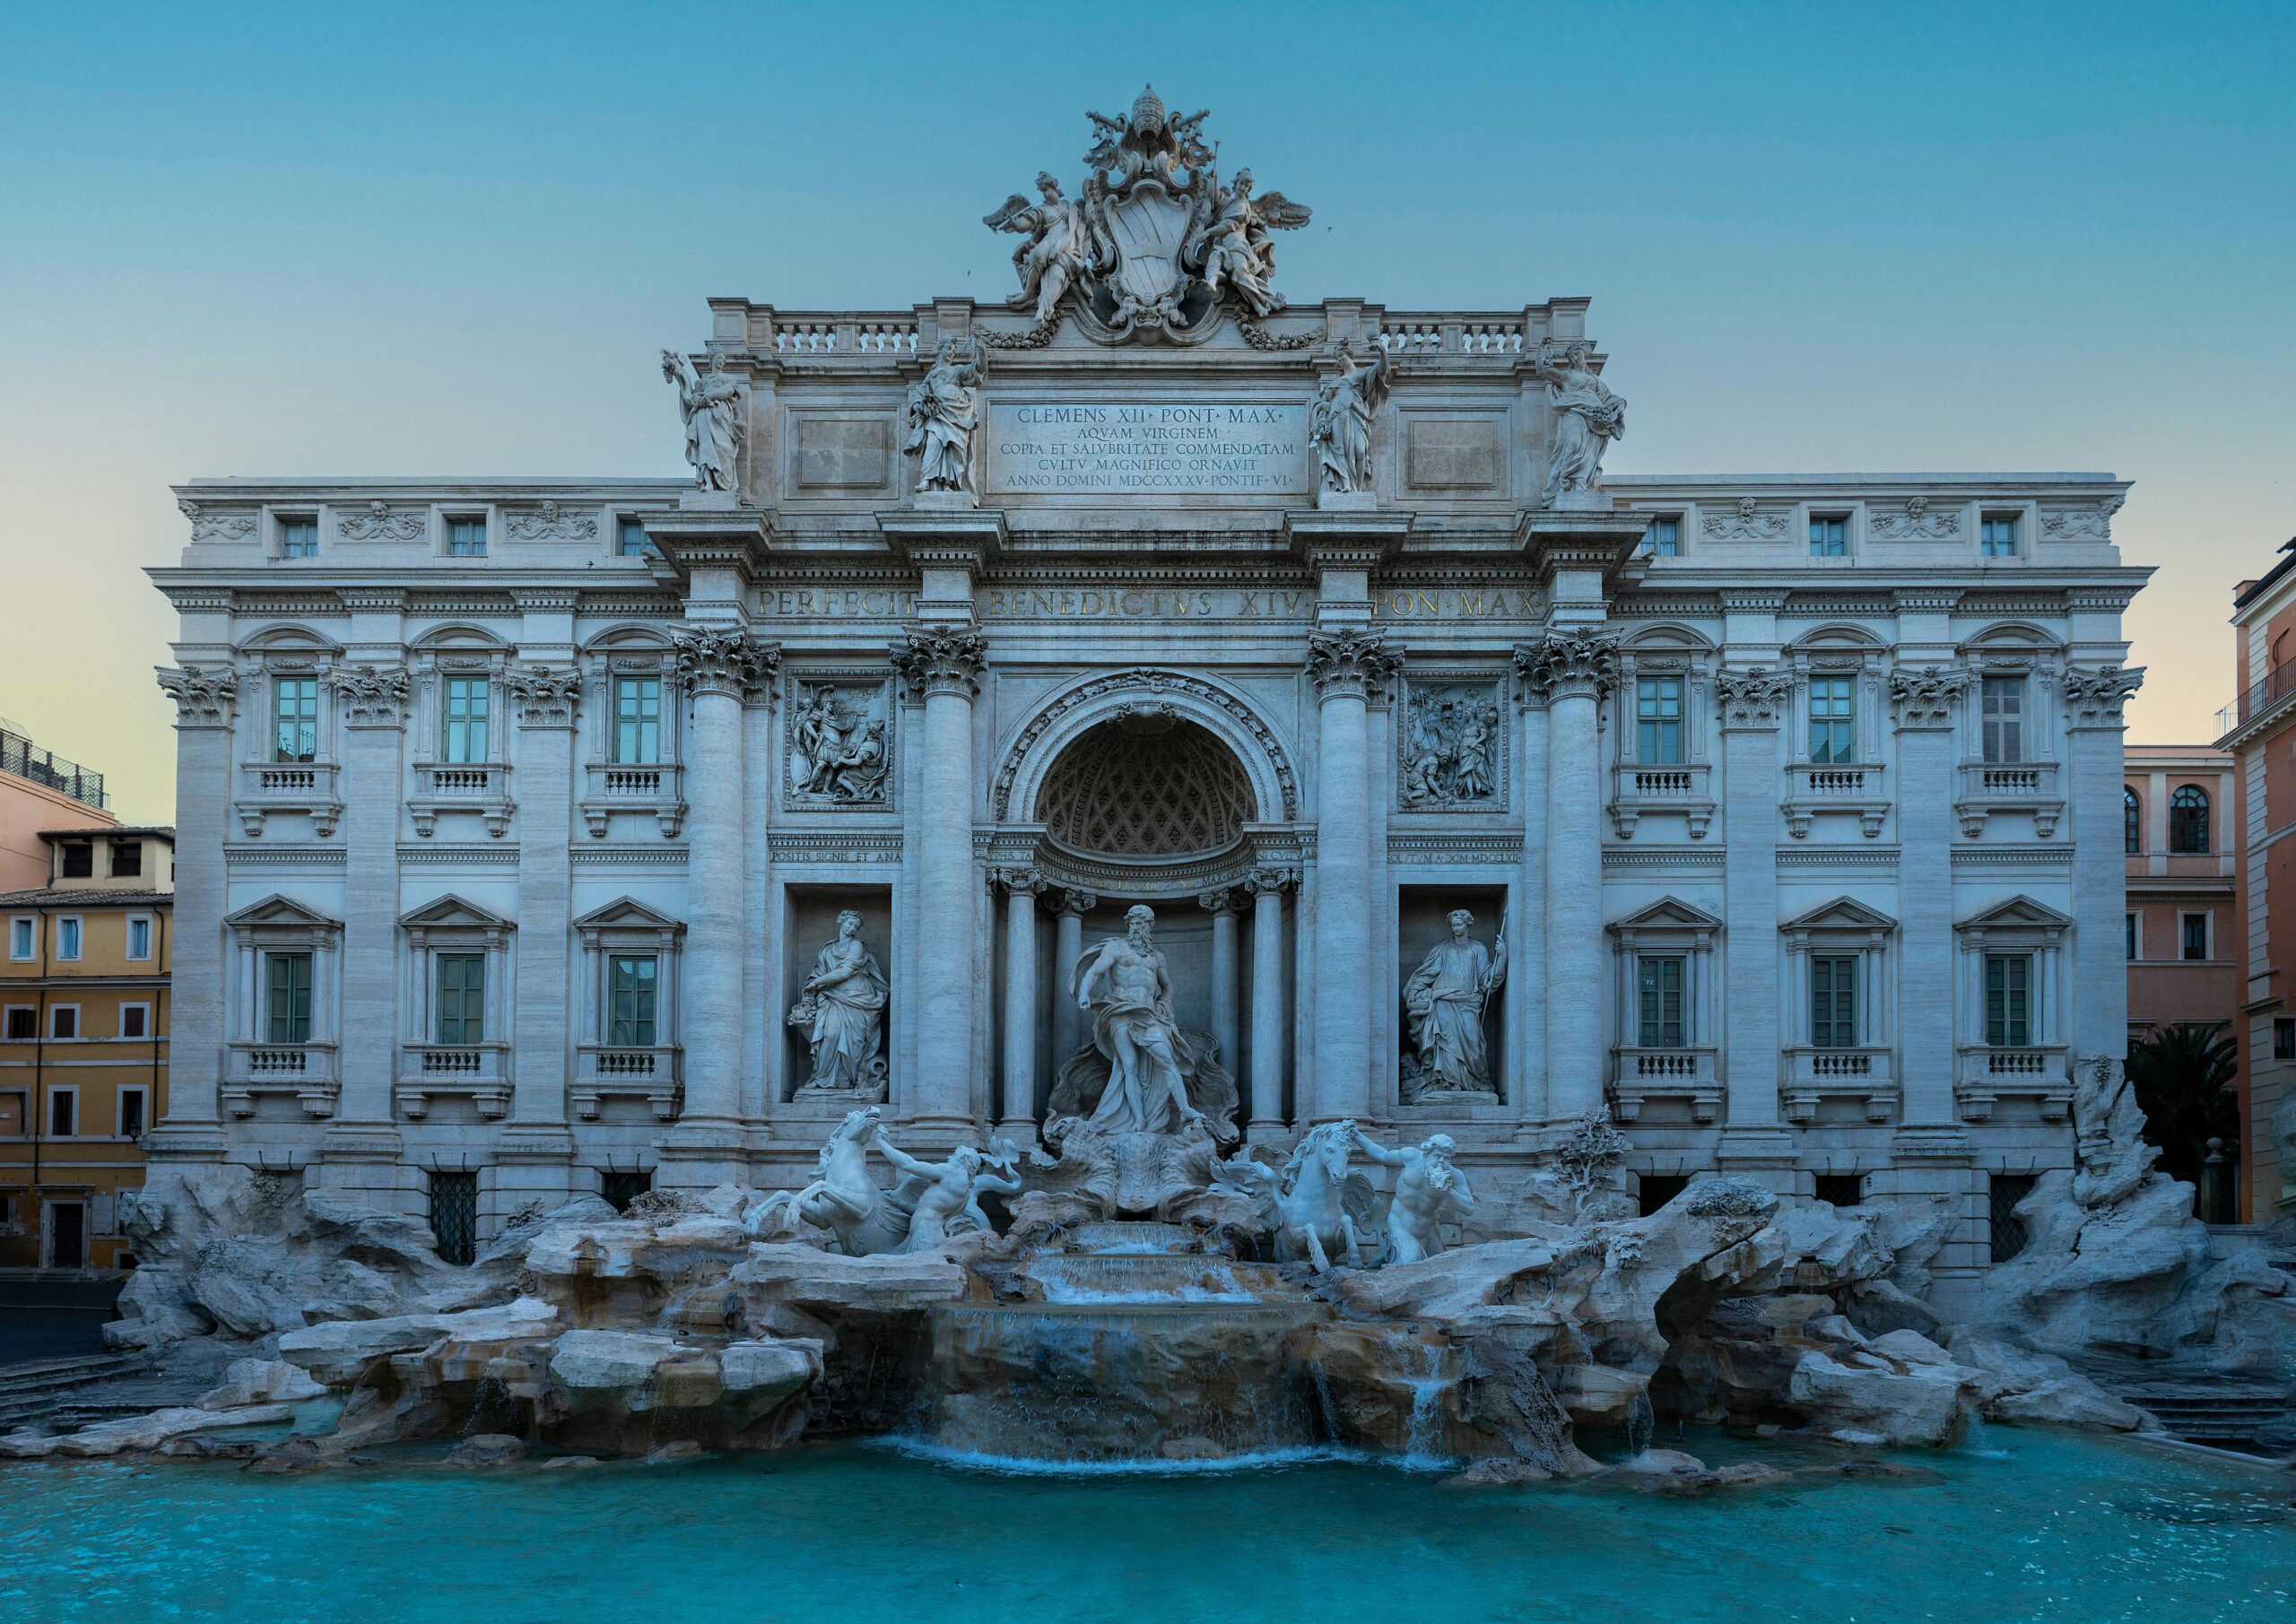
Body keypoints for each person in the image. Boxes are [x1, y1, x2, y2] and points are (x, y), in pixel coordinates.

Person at [1071, 904, 1203, 1133]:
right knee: (1128, 1066)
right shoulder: (1116, 948)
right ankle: (1139, 1120)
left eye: (1143, 922)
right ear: (1128, 924)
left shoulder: (1156, 957)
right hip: (1120, 1010)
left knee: (1167, 1059)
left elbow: (1167, 986)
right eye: (1134, 922)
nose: (1138, 926)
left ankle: (1185, 1110)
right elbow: (1094, 972)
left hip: (1148, 1014)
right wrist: (1084, 993)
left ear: (1150, 926)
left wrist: (1165, 1003)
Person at [1403, 908, 1505, 1092]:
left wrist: (1501, 957)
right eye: (1453, 925)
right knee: (1446, 1040)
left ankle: (1474, 1080)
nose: (1456, 928)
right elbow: (1427, 973)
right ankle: (1449, 1082)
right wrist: (1415, 990)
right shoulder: (1442, 949)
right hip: (1443, 1001)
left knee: (1473, 1042)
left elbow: (1487, 981)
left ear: (1468, 925)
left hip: (1468, 1002)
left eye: (1459, 924)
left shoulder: (1478, 949)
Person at [1350, 1128, 1475, 1264]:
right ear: (1427, 1153)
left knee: (1441, 1266)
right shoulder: (1410, 1157)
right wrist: (1357, 1136)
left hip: (1428, 1230)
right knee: (1409, 1265)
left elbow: (1469, 1208)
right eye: (1437, 1156)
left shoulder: (1455, 1176)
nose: (1441, 1161)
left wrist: (1447, 1191)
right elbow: (1382, 1155)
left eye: (1446, 1158)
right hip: (1400, 1224)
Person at [794, 911, 888, 1090]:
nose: (852, 928)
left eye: (855, 926)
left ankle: (848, 1079)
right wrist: (814, 984)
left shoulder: (856, 945)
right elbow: (819, 972)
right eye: (850, 923)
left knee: (854, 1041)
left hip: (857, 996)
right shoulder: (827, 949)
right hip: (833, 997)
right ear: (840, 921)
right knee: (830, 1034)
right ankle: (822, 1077)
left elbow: (844, 972)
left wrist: (816, 983)